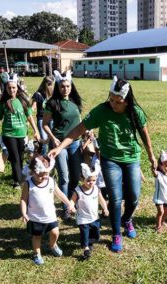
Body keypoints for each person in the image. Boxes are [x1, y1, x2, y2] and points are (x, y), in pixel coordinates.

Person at [49, 76, 157, 253]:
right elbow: (78, 129)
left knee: (134, 196)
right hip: (110, 160)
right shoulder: (101, 111)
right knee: (115, 198)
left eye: (118, 101)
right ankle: (116, 233)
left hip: (131, 158)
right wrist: (60, 147)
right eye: (111, 100)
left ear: (126, 100)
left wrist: (151, 158)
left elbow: (145, 136)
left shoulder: (135, 112)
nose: (114, 104)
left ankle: (127, 219)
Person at [20, 155, 75, 265]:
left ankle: (53, 245)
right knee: (37, 236)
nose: (44, 177)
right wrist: (24, 213)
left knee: (55, 232)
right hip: (35, 217)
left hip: (50, 215)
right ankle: (37, 253)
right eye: (41, 175)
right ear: (32, 172)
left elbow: (59, 194)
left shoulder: (51, 181)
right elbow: (23, 199)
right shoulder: (28, 184)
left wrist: (69, 203)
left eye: (46, 174)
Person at [42, 70, 83, 220]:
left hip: (75, 143)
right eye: (62, 86)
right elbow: (45, 124)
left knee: (75, 175)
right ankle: (66, 208)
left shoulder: (75, 102)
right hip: (59, 144)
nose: (65, 89)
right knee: (64, 177)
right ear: (58, 87)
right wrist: (53, 138)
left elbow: (79, 122)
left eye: (68, 86)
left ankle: (73, 202)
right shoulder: (52, 103)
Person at [0, 79, 40, 189]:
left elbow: (30, 117)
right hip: (8, 134)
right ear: (5, 89)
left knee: (20, 157)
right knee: (15, 158)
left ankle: (17, 176)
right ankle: (18, 181)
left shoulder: (23, 101)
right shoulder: (3, 103)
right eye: (9, 88)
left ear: (17, 88)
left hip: (21, 134)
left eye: (13, 87)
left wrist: (36, 130)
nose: (11, 89)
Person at [70, 161, 109, 259]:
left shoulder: (96, 189)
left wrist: (105, 208)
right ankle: (86, 248)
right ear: (82, 179)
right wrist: (71, 207)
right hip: (83, 219)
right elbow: (72, 201)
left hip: (95, 217)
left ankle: (90, 242)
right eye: (88, 181)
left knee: (95, 234)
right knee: (85, 234)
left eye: (93, 180)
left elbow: (101, 199)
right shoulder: (78, 191)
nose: (91, 183)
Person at [32, 76, 54, 155]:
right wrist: (27, 116)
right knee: (44, 139)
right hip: (41, 119)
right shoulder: (38, 94)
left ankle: (51, 157)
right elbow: (33, 107)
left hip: (52, 119)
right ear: (44, 84)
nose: (51, 86)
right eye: (49, 84)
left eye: (52, 84)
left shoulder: (53, 94)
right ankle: (43, 158)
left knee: (52, 139)